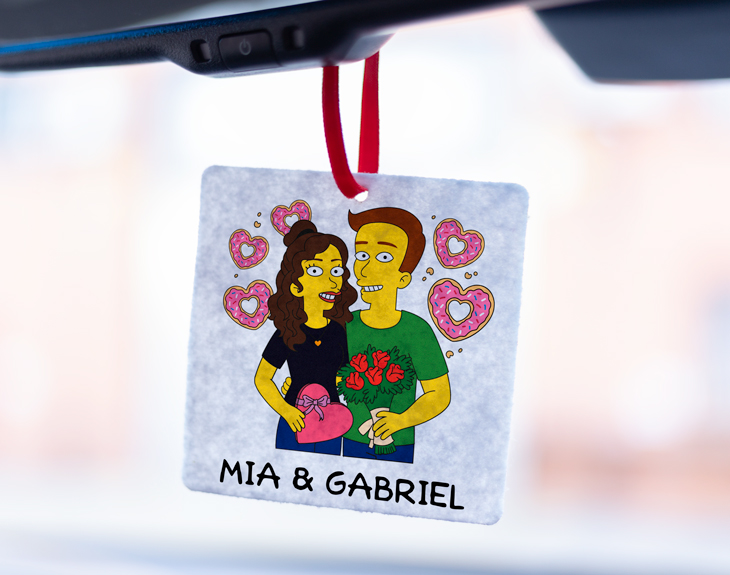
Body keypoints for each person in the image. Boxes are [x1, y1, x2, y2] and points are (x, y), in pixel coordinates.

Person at [342, 207, 451, 463]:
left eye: (383, 256)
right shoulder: (346, 325)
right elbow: (333, 376)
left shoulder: (416, 330)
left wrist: (401, 421)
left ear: (403, 278)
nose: (364, 269)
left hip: (398, 443)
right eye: (361, 255)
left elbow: (439, 393)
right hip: (351, 438)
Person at [254, 220, 357, 455]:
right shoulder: (287, 331)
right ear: (295, 286)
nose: (332, 280)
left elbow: (343, 375)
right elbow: (262, 378)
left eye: (336, 271)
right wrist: (286, 410)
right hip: (294, 422)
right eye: (315, 271)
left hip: (332, 420)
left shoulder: (339, 331)